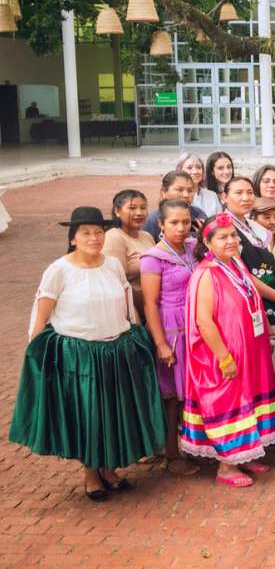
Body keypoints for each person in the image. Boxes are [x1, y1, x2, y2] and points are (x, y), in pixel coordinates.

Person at [10, 207, 165, 501]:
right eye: (86, 233)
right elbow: (42, 313)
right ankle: (91, 473)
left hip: (116, 349)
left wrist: (135, 334)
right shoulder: (59, 269)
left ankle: (109, 469)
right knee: (89, 414)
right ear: (72, 239)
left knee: (114, 412)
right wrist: (36, 354)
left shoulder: (113, 266)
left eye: (98, 232)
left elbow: (127, 302)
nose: (94, 238)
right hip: (80, 355)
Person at [181, 214, 275, 487]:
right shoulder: (206, 273)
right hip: (226, 352)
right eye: (223, 237)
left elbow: (251, 283)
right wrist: (224, 357)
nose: (231, 241)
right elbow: (203, 320)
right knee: (231, 402)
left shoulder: (235, 263)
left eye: (233, 236)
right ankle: (226, 467)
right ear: (208, 242)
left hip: (250, 348)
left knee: (249, 398)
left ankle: (244, 455)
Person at [140, 199, 202, 477]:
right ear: (161, 225)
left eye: (185, 221)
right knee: (172, 397)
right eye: (174, 222)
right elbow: (150, 304)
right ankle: (171, 453)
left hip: (195, 327)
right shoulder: (153, 257)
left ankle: (193, 446)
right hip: (171, 329)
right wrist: (161, 343)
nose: (181, 228)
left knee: (194, 391)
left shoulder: (193, 247)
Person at [222, 177, 275, 313]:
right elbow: (240, 272)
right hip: (248, 300)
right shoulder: (225, 229)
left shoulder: (252, 225)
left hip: (268, 294)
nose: (246, 198)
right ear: (225, 197)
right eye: (239, 193)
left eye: (250, 192)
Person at [103, 189, 155, 311]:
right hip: (135, 307)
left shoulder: (146, 236)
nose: (139, 213)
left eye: (143, 208)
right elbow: (118, 283)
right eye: (132, 208)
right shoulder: (114, 236)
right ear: (117, 211)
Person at [144, 170, 205, 240]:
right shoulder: (152, 220)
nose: (186, 195)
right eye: (179, 190)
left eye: (190, 190)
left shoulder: (198, 214)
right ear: (164, 191)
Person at [179, 153, 222, 217]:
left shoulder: (212, 195)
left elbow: (221, 220)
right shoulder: (177, 196)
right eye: (189, 168)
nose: (195, 172)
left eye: (199, 167)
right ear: (180, 170)